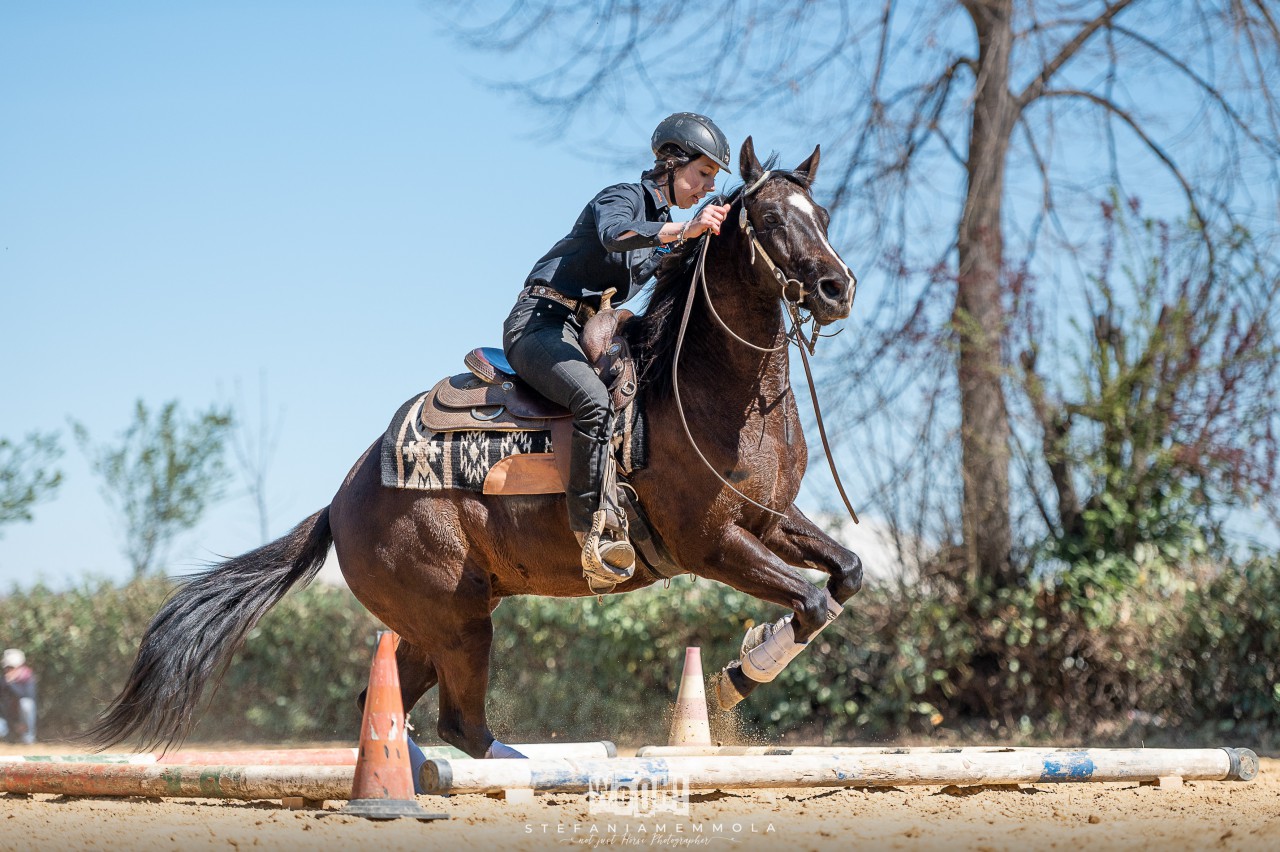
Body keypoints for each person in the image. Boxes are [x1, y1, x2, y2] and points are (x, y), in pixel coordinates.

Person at [503, 112, 734, 589]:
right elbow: (614, 234)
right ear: (671, 163)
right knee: (592, 400)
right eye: (703, 173)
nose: (707, 187)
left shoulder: (664, 227)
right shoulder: (624, 197)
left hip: (582, 330)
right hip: (539, 324)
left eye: (713, 178)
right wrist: (684, 231)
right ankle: (592, 530)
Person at [1, 648, 36, 744]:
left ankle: (28, 738)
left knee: (26, 704)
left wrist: (11, 683)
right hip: (8, 720)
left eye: (11, 667)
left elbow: (28, 696)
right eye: (7, 668)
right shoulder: (3, 680)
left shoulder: (27, 677)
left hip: (22, 719)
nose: (8, 670)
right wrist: (13, 725)